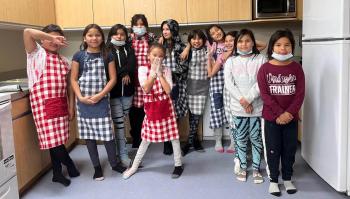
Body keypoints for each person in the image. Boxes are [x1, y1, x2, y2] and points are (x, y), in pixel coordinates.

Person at [24, 25, 80, 187]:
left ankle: (56, 173)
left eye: (58, 39)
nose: (54, 42)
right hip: (43, 105)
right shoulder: (36, 54)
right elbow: (27, 32)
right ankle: (69, 165)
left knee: (57, 140)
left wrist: (71, 106)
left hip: (60, 104)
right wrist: (51, 37)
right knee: (53, 140)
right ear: (42, 39)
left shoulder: (64, 61)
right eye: (50, 39)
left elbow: (69, 86)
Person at [70, 24, 126, 181]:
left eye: (97, 35)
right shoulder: (78, 56)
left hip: (101, 101)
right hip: (83, 103)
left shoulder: (108, 55)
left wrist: (101, 95)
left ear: (102, 38)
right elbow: (73, 79)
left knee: (108, 135)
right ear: (84, 38)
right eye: (90, 35)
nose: (94, 38)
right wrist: (80, 97)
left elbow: (113, 79)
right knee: (89, 137)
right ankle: (96, 168)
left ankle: (114, 164)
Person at [122, 43, 184, 179]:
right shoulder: (143, 70)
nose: (157, 58)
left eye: (161, 56)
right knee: (145, 139)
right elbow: (146, 88)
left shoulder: (167, 70)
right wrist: (153, 73)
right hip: (151, 109)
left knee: (174, 138)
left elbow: (168, 91)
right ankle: (134, 167)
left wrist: (160, 74)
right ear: (148, 56)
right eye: (154, 55)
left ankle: (178, 165)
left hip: (166, 107)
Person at [257, 29, 305, 196]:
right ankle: (273, 180)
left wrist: (289, 113)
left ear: (292, 47)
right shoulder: (264, 69)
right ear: (271, 47)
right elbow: (265, 95)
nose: (282, 49)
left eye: (287, 45)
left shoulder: (297, 68)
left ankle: (287, 178)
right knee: (272, 149)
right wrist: (279, 114)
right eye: (278, 45)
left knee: (289, 149)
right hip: (271, 119)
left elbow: (300, 94)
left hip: (291, 119)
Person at [224, 29, 267, 183]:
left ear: (253, 42)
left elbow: (261, 83)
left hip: (256, 108)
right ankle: (242, 166)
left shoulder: (261, 59)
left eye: (247, 40)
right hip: (238, 108)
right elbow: (229, 84)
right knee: (241, 139)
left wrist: (248, 99)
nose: (244, 44)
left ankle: (256, 168)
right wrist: (243, 101)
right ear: (236, 44)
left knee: (256, 139)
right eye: (240, 41)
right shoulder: (231, 61)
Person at [106, 24, 137, 167]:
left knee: (122, 121)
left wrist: (125, 72)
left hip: (128, 93)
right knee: (118, 124)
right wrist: (123, 73)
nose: (119, 37)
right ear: (111, 35)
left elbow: (132, 66)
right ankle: (123, 155)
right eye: (116, 34)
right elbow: (110, 70)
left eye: (122, 34)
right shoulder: (106, 51)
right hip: (113, 93)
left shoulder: (129, 49)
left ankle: (120, 149)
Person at [160, 19, 189, 155]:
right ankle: (166, 143)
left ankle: (173, 142)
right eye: (164, 29)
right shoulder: (160, 46)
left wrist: (169, 74)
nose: (165, 32)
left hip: (177, 84)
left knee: (175, 115)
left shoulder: (182, 47)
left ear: (174, 30)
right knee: (164, 114)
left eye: (168, 29)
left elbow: (183, 67)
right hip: (162, 84)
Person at [128, 14, 157, 148]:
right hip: (132, 76)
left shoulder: (151, 37)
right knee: (134, 110)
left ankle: (146, 136)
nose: (139, 27)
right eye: (137, 25)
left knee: (147, 108)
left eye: (142, 24)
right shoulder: (128, 38)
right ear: (132, 26)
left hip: (147, 75)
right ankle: (135, 138)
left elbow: (158, 50)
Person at [208, 30, 238, 154]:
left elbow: (261, 45)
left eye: (231, 40)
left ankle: (234, 141)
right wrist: (209, 56)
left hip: (234, 86)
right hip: (218, 84)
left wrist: (232, 48)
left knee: (233, 112)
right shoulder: (213, 47)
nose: (228, 42)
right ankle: (218, 141)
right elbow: (211, 73)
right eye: (212, 33)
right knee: (217, 111)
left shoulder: (240, 50)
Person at [181, 29, 209, 156]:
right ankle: (195, 141)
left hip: (202, 87)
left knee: (197, 115)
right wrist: (187, 47)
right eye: (194, 38)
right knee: (192, 114)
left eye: (199, 38)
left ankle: (189, 142)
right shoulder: (188, 51)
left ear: (204, 40)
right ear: (190, 40)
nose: (196, 41)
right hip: (189, 86)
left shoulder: (208, 50)